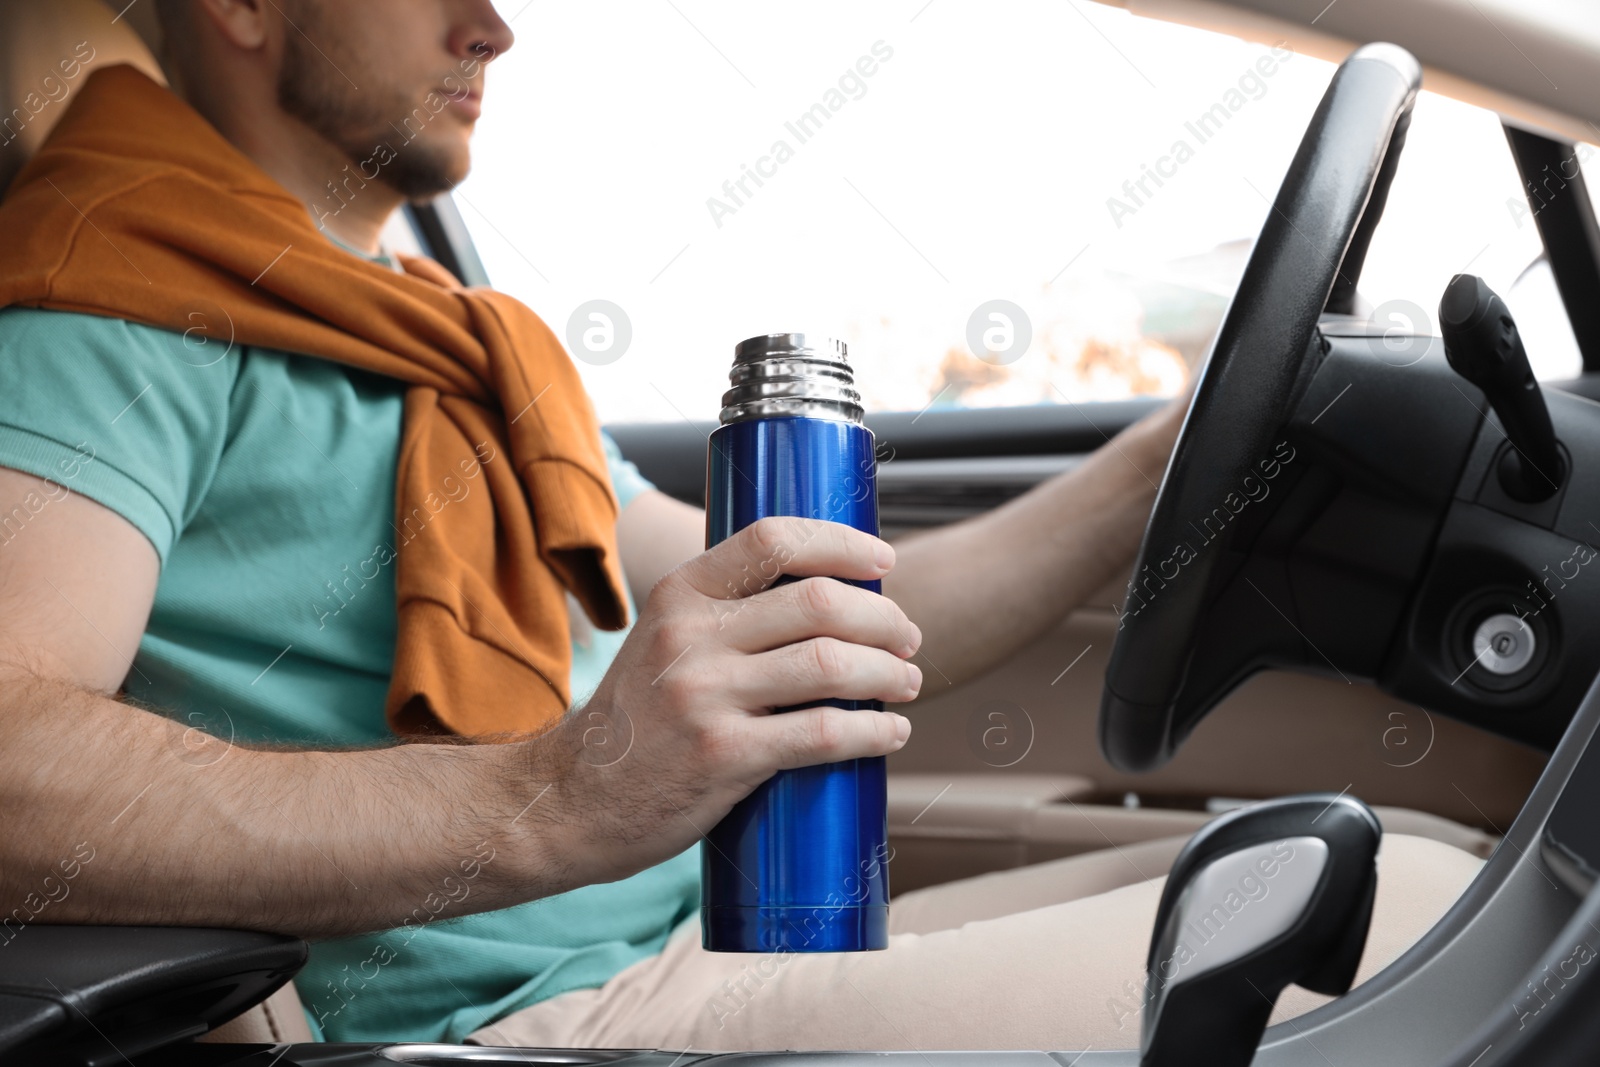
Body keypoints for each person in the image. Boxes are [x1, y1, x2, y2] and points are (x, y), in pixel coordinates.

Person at [0, 0, 1483, 1052]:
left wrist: (1172, 458)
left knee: (1399, 849)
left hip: (695, 945)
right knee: (1409, 910)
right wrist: (566, 796)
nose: (495, 24)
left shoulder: (456, 343)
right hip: (530, 1022)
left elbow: (828, 615)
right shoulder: (102, 309)